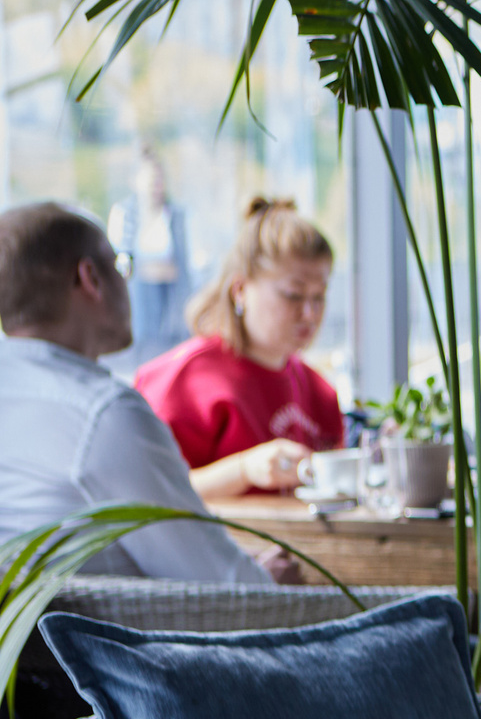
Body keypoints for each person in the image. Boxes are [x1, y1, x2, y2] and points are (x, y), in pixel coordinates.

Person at [0, 203, 289, 584]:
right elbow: (223, 587)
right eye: (121, 265)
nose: (127, 282)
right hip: (107, 642)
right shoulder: (103, 415)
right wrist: (269, 580)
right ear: (90, 278)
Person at [136, 198, 343, 499]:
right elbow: (146, 493)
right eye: (293, 295)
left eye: (319, 297)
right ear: (240, 290)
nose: (310, 313)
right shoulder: (184, 382)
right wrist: (244, 470)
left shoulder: (321, 392)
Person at [106, 146, 191, 362]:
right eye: (150, 178)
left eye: (159, 178)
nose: (156, 184)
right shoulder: (124, 214)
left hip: (172, 304)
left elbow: (187, 263)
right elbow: (118, 261)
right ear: (135, 181)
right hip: (140, 303)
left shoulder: (176, 215)